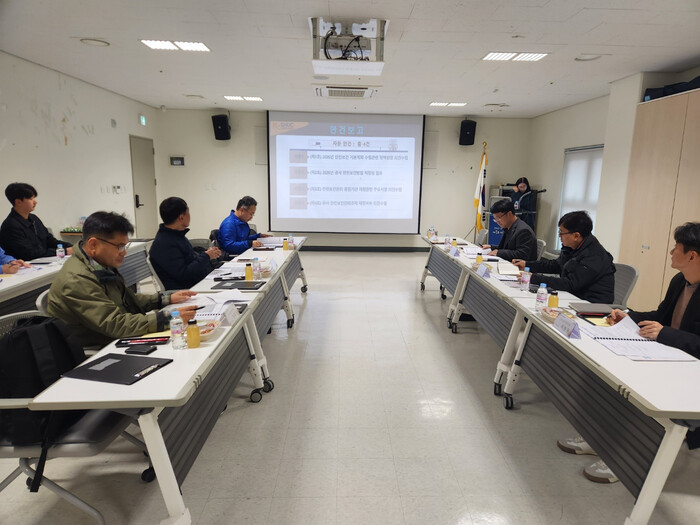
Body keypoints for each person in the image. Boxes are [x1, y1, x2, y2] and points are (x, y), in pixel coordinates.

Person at [557, 222, 700, 483]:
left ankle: (624, 459)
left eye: (676, 248)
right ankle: (596, 438)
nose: (671, 252)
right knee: (606, 377)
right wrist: (630, 316)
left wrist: (665, 334)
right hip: (667, 354)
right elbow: (661, 315)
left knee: (637, 393)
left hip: (690, 371)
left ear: (692, 256)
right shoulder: (680, 281)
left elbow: (673, 332)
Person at [47, 211, 198, 348]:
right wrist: (167, 318)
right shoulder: (77, 279)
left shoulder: (99, 265)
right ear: (93, 244)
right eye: (119, 247)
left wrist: (165, 299)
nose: (124, 253)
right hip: (99, 348)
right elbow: (115, 324)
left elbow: (127, 300)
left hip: (115, 337)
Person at [512, 210, 615, 303]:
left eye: (561, 233)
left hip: (592, 305)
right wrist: (527, 264)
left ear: (576, 236)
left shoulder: (594, 256)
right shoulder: (572, 247)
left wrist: (534, 278)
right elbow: (556, 265)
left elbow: (570, 284)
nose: (559, 236)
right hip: (573, 297)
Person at [149, 197, 222, 290]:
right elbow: (184, 275)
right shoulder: (164, 244)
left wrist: (208, 254)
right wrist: (206, 256)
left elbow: (190, 260)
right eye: (188, 212)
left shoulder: (176, 236)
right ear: (181, 217)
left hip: (198, 283)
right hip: (187, 291)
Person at [0, 182, 73, 260]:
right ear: (18, 202)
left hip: (44, 261)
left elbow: (49, 240)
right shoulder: (10, 225)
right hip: (26, 264)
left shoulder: (34, 218)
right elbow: (30, 253)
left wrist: (72, 247)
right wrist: (64, 251)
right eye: (31, 199)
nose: (35, 202)